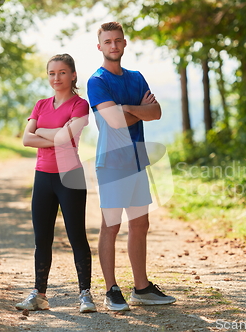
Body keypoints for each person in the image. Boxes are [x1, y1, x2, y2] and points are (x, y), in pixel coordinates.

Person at [87, 21, 176, 312]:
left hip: (138, 161)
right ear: (99, 47)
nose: (114, 45)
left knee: (140, 224)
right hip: (112, 163)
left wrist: (127, 109)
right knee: (111, 226)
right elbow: (114, 122)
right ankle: (111, 290)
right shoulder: (96, 81)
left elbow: (158, 111)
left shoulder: (137, 77)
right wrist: (139, 111)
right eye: (108, 41)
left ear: (125, 44)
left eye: (118, 41)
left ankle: (141, 288)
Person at [16, 54, 96, 313]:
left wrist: (41, 131)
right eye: (52, 73)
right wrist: (57, 136)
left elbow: (65, 136)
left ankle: (85, 295)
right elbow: (26, 140)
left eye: (62, 72)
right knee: (42, 239)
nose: (56, 78)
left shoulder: (80, 105)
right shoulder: (40, 105)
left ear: (73, 75)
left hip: (69, 175)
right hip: (43, 176)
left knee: (76, 236)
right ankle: (39, 295)